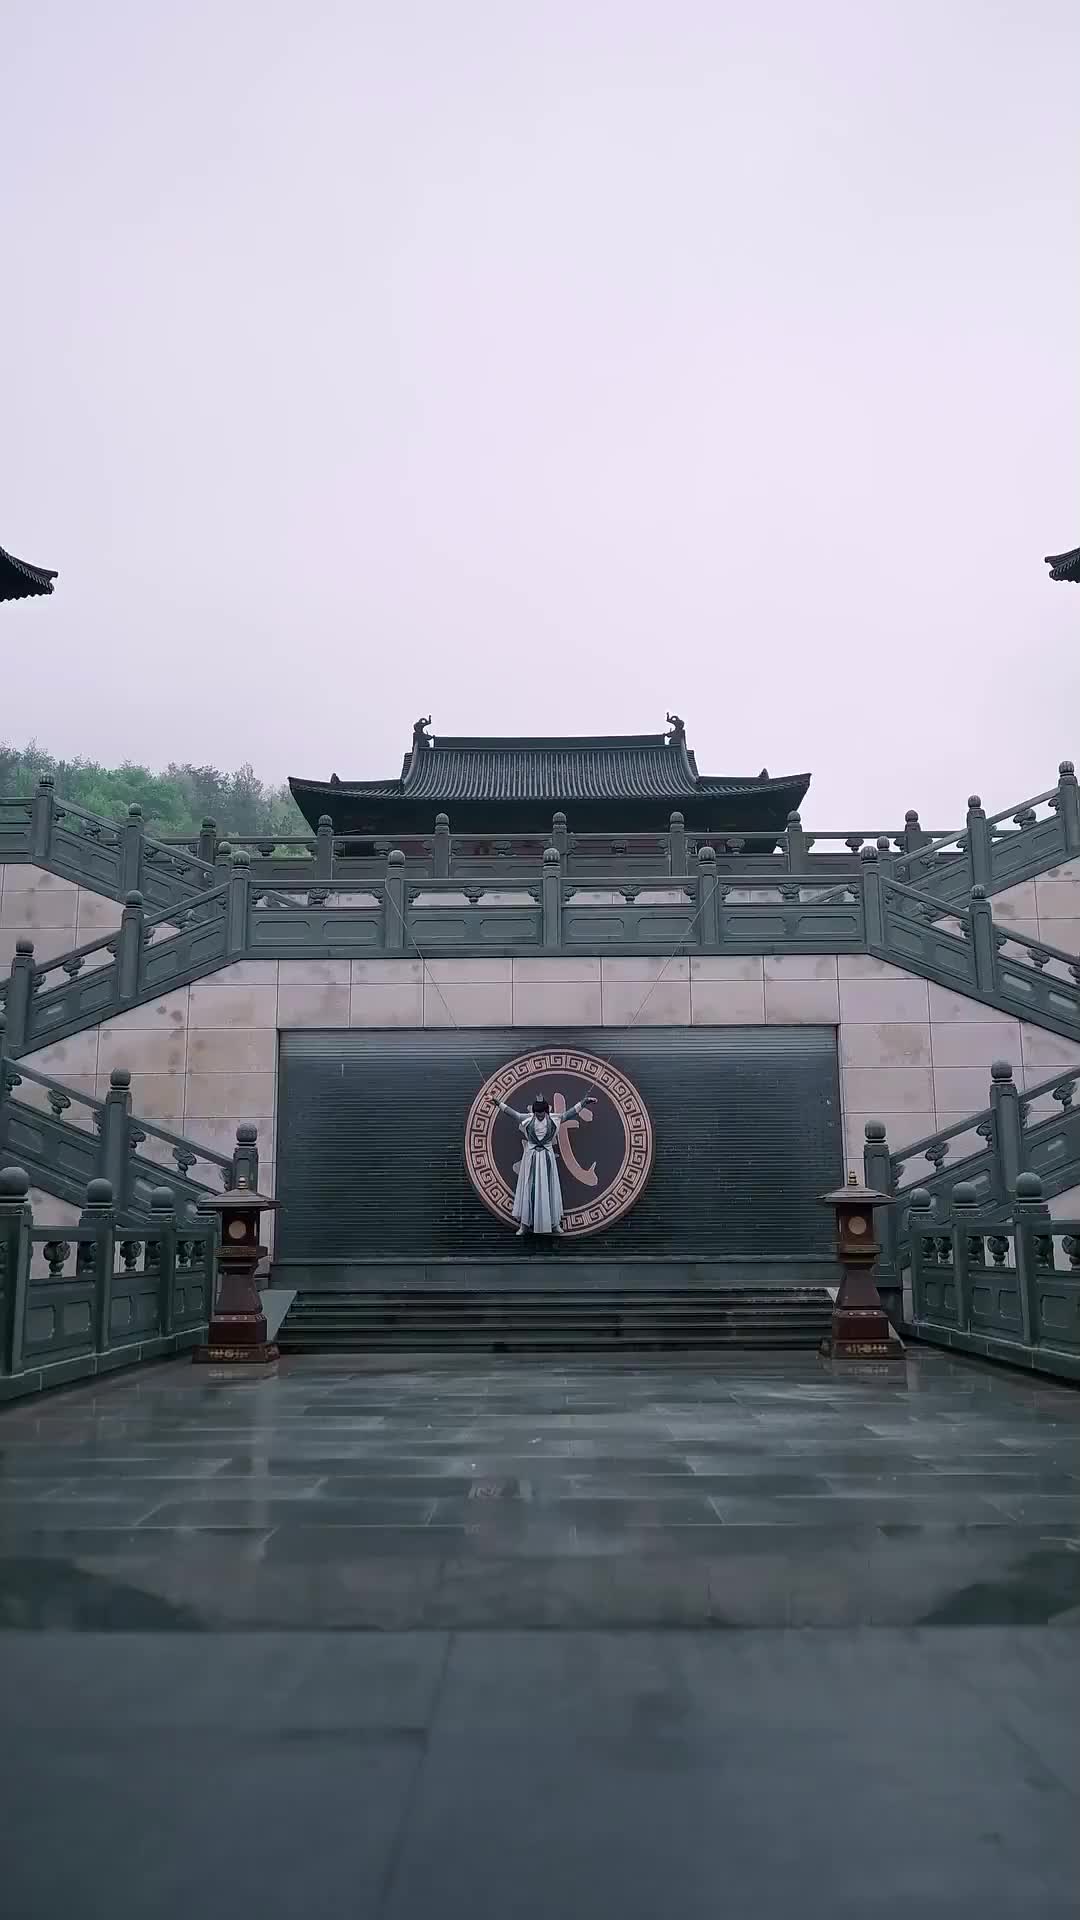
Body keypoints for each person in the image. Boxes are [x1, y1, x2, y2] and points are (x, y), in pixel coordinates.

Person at [496, 1091, 597, 1237]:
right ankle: (524, 1225)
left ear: (546, 1112)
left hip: (547, 1157)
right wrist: (497, 1103)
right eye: (537, 1113)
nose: (539, 1116)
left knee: (550, 1188)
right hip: (531, 1158)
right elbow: (512, 1113)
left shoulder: (554, 1119)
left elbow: (570, 1113)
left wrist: (584, 1102)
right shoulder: (528, 1119)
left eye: (542, 1113)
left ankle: (555, 1224)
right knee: (528, 1188)